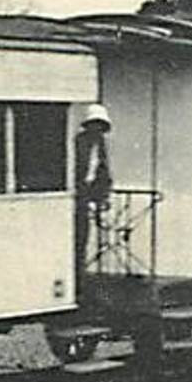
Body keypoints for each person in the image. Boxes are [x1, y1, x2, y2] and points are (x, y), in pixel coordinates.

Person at [74, 104, 114, 279]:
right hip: (78, 193)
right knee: (77, 237)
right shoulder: (79, 142)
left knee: (84, 237)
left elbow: (103, 171)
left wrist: (102, 196)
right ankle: (77, 274)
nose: (97, 128)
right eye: (94, 124)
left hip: (90, 195)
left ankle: (80, 273)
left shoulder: (101, 145)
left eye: (100, 125)